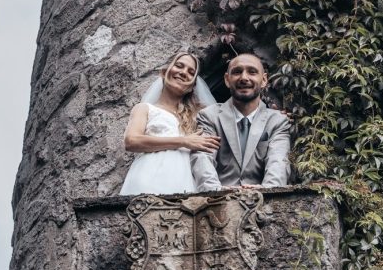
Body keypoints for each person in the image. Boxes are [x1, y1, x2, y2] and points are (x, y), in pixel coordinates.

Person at [120, 50, 220, 195]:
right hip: (149, 178)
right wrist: (183, 141)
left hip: (186, 181)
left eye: (191, 72)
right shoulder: (144, 109)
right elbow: (131, 141)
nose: (184, 72)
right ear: (164, 72)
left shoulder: (199, 117)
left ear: (192, 86)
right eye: (179, 66)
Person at [190, 53, 291, 191]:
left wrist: (266, 191)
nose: (244, 78)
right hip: (217, 201)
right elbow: (202, 158)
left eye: (252, 72)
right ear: (227, 79)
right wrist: (216, 192)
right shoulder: (209, 116)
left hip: (264, 202)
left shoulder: (278, 121)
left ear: (264, 80)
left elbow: (278, 162)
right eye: (237, 72)